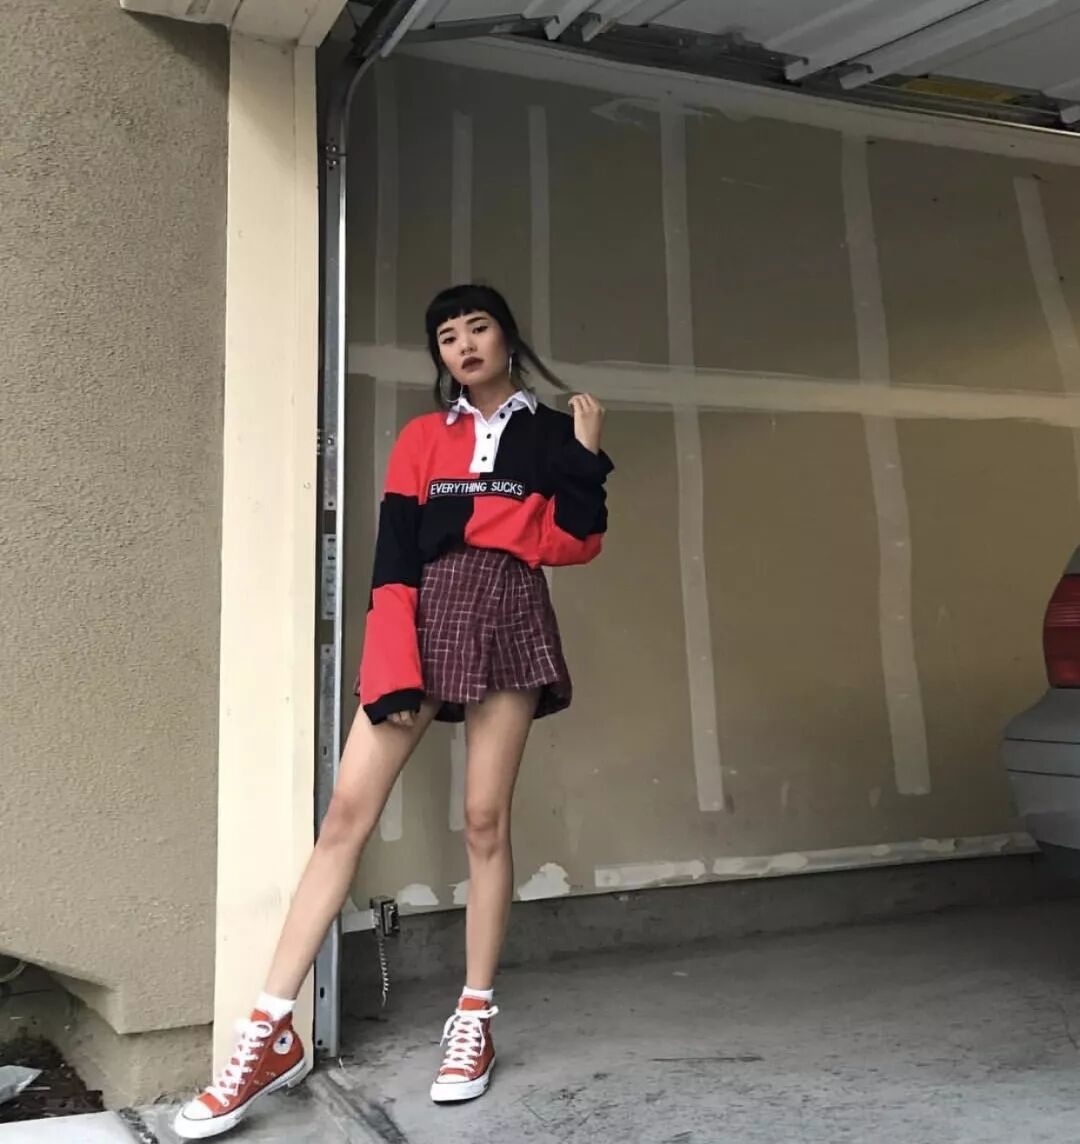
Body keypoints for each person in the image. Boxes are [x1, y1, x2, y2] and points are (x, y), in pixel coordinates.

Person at [173, 283, 613, 1139]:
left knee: (484, 821)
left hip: (510, 611)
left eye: (477, 327)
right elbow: (396, 555)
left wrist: (586, 456)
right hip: (424, 613)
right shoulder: (422, 438)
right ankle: (269, 1030)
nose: (464, 344)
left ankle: (474, 1019)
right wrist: (392, 655)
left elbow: (574, 542)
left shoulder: (553, 434)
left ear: (507, 337)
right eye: (447, 336)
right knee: (346, 815)